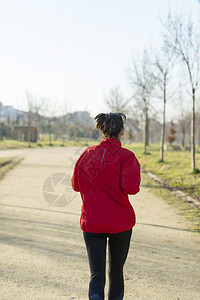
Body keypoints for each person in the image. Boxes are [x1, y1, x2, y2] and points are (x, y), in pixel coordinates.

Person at [71, 112, 141, 300]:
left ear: (101, 131)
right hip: (120, 223)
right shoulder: (128, 157)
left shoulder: (86, 155)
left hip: (92, 222)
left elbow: (76, 185)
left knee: (96, 273)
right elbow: (132, 188)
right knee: (116, 271)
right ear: (122, 132)